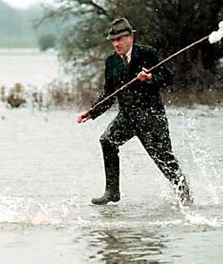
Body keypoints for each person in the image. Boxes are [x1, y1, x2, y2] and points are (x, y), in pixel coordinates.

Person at [77, 17, 192, 205]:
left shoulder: (147, 53)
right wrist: (91, 112)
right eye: (113, 41)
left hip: (151, 116)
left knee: (165, 161)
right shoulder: (111, 62)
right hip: (127, 116)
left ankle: (185, 197)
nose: (116, 44)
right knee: (107, 141)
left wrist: (150, 78)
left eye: (120, 39)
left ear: (131, 36)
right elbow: (109, 93)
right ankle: (112, 191)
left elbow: (168, 77)